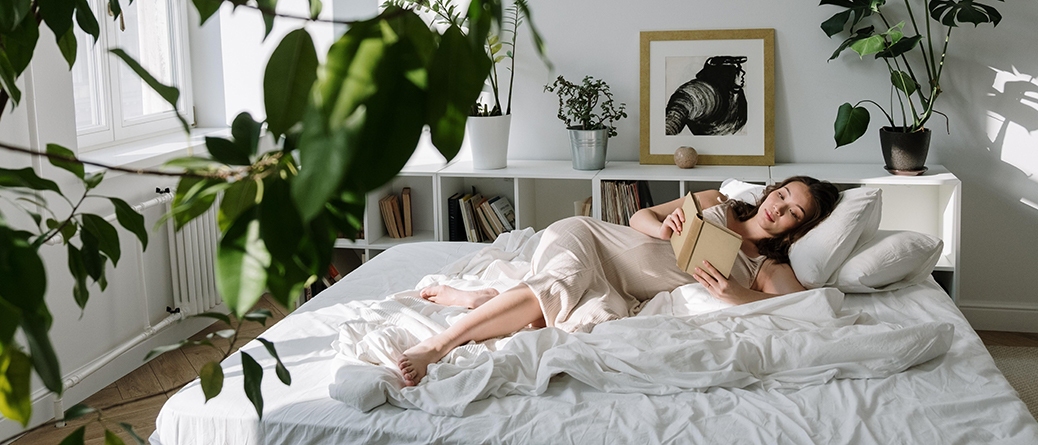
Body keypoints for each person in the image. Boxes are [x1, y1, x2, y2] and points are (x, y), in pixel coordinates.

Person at [398, 176, 840, 386]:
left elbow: (803, 313)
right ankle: (437, 346)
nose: (777, 209)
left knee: (593, 323)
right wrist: (664, 229)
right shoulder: (716, 201)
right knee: (563, 282)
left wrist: (734, 293)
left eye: (792, 212)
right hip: (591, 240)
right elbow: (638, 217)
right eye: (782, 195)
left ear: (796, 229)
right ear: (772, 190)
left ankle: (488, 300)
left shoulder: (768, 268)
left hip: (618, 288)